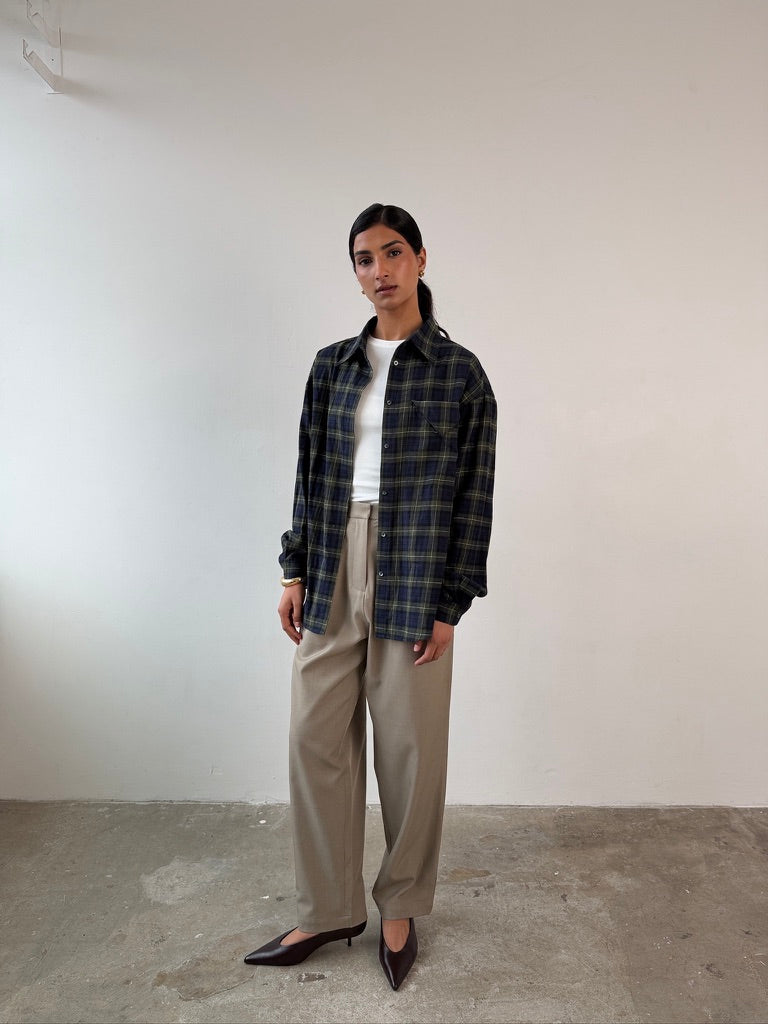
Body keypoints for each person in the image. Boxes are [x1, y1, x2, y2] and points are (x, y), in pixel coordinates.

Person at [244, 203, 496, 990]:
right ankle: (327, 907)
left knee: (410, 750)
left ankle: (400, 906)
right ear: (354, 271)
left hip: (415, 562)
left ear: (420, 258)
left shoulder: (460, 373)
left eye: (392, 253)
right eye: (363, 258)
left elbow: (475, 497)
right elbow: (309, 471)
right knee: (314, 738)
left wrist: (451, 603)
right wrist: (294, 570)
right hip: (331, 553)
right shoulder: (332, 366)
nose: (379, 270)